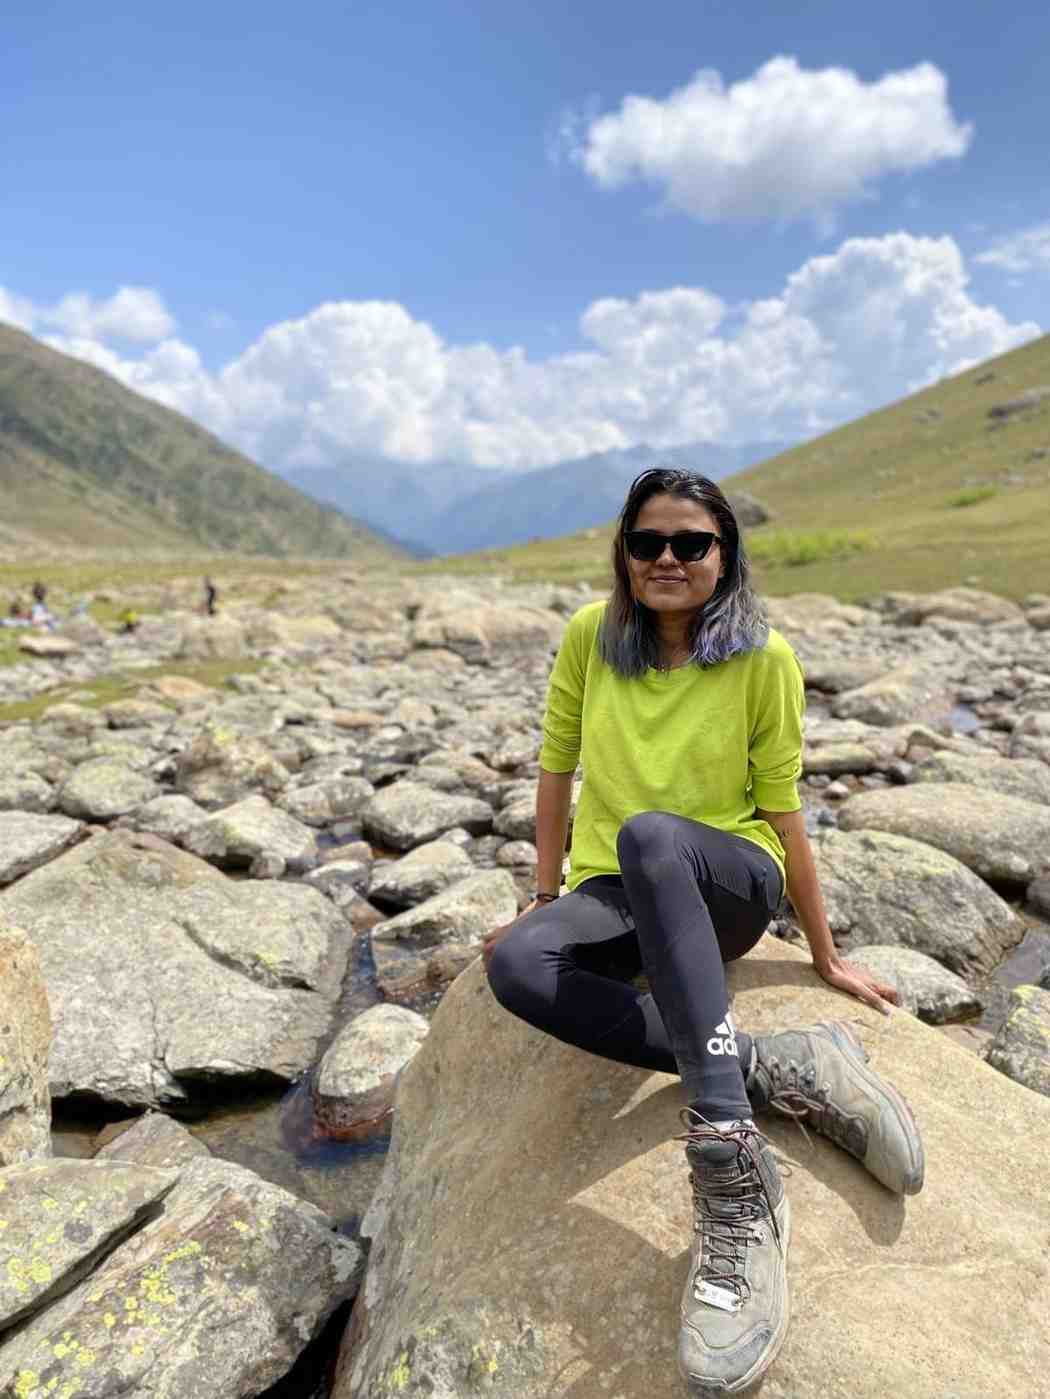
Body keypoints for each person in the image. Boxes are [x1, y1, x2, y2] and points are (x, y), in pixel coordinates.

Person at [484, 468, 923, 1396]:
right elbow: (556, 768)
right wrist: (543, 890)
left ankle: (731, 1170)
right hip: (618, 883)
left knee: (654, 834)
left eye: (692, 543)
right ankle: (777, 1063)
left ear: (726, 555)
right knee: (518, 962)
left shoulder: (763, 657)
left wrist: (823, 951)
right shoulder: (589, 640)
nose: (669, 559)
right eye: (648, 543)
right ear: (625, 555)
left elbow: (787, 811)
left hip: (729, 880)